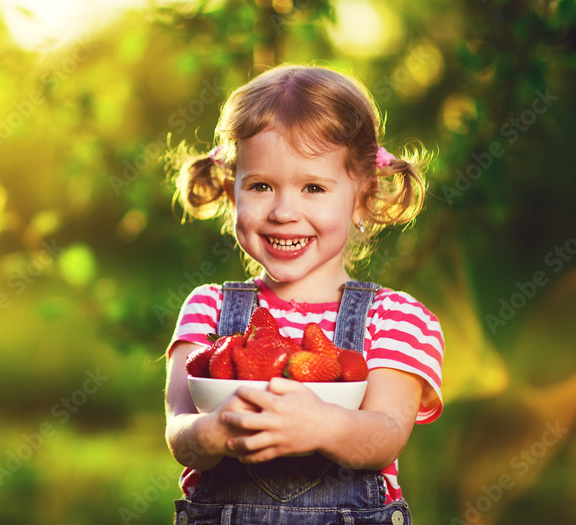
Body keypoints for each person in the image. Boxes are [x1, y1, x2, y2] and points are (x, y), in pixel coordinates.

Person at [163, 64, 444, 525]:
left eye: (313, 187)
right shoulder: (208, 307)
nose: (283, 211)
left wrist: (320, 425)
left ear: (361, 199)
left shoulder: (396, 318)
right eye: (260, 186)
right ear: (233, 194)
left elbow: (385, 437)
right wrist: (215, 431)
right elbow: (180, 431)